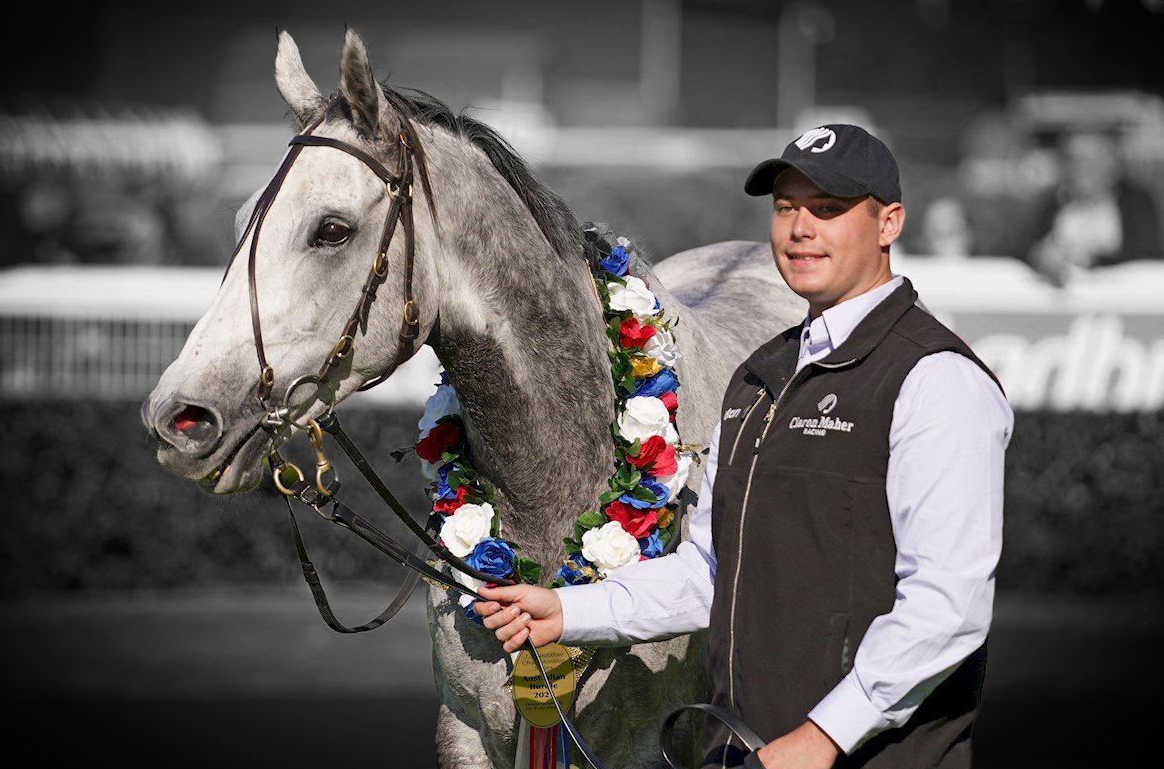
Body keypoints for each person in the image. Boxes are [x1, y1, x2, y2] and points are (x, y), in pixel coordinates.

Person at [475, 124, 1013, 769]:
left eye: (828, 210)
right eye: (786, 208)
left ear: (889, 223)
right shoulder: (759, 376)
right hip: (738, 748)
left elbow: (947, 607)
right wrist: (566, 610)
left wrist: (820, 739)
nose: (799, 229)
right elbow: (711, 571)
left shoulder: (937, 378)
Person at [1018, 129, 1163, 285]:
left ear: (1113, 165)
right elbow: (1025, 253)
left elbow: (1148, 258)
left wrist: (1092, 258)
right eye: (1076, 160)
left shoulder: (1137, 203)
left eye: (1093, 160)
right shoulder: (1050, 203)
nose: (1083, 169)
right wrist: (1042, 256)